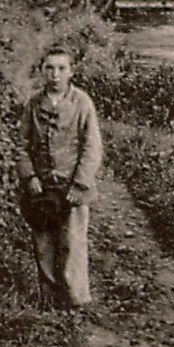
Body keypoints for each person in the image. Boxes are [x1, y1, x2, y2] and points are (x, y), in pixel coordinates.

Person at [15, 45, 103, 311]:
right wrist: (29, 176)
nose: (55, 74)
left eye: (61, 68)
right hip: (42, 188)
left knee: (73, 244)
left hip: (72, 187)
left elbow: (92, 146)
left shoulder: (82, 103)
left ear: (71, 72)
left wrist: (80, 183)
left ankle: (76, 301)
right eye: (49, 68)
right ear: (42, 71)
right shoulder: (33, 105)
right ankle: (49, 300)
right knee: (43, 243)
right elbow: (21, 146)